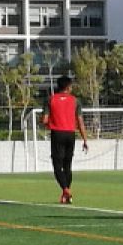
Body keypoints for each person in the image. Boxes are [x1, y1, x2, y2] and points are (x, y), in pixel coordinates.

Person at [43, 75, 89, 203]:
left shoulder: (50, 99)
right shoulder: (75, 101)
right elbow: (80, 122)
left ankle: (66, 190)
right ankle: (65, 195)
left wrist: (51, 125)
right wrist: (85, 140)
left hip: (57, 133)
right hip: (70, 134)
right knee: (67, 165)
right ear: (68, 87)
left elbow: (44, 120)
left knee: (57, 165)